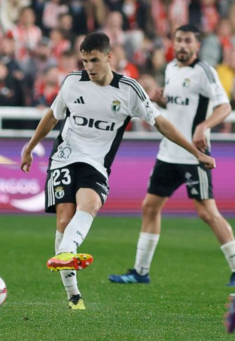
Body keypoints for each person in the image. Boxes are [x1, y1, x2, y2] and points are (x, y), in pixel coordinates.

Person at [20, 32, 215, 310]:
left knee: (90, 204)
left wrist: (195, 152)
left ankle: (66, 253)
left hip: (97, 162)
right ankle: (73, 295)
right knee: (64, 219)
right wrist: (30, 147)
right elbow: (52, 115)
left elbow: (161, 123)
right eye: (85, 60)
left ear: (109, 57)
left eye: (95, 60)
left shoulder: (129, 90)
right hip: (64, 156)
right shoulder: (73, 82)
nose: (89, 66)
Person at [109, 25, 235, 286]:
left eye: (187, 41)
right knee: (150, 207)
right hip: (168, 154)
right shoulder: (170, 69)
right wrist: (161, 100)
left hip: (194, 155)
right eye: (178, 40)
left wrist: (204, 126)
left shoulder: (204, 71)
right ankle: (140, 271)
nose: (182, 45)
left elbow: (224, 107)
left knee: (208, 213)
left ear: (197, 46)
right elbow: (178, 105)